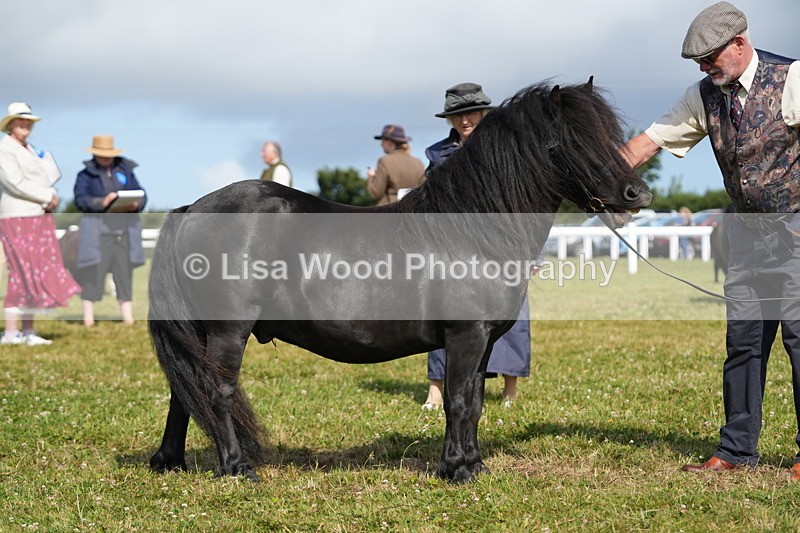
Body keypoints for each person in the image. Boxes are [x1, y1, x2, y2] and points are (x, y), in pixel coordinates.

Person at [622, 2, 800, 478]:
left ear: (740, 43)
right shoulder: (703, 95)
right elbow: (649, 142)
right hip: (745, 239)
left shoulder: (793, 79)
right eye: (697, 62)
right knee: (742, 345)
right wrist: (597, 176)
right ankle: (737, 451)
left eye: (709, 58)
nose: (704, 68)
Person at [422, 82, 532, 409]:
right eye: (457, 115)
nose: (464, 120)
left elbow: (524, 204)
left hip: (503, 247)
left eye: (470, 112)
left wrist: (531, 253)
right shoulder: (437, 154)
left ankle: (510, 389)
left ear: (483, 112)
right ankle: (436, 389)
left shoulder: (506, 150)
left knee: (513, 314)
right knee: (444, 317)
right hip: (453, 248)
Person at [0, 102, 81, 345]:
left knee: (34, 272)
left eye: (29, 121)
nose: (26, 125)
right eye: (21, 120)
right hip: (18, 217)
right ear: (11, 123)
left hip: (38, 216)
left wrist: (50, 197)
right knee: (19, 271)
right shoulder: (5, 149)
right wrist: (48, 196)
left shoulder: (32, 150)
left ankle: (28, 331)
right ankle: (11, 332)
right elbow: (14, 182)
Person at [74, 135, 147, 327]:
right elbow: (81, 199)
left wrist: (136, 204)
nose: (106, 158)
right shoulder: (85, 176)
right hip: (99, 234)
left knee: (124, 273)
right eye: (102, 154)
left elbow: (141, 193)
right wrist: (101, 202)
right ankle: (88, 318)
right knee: (94, 273)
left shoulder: (126, 171)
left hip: (123, 232)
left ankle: (127, 317)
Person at [366, 124, 424, 205]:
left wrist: (371, 176)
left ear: (390, 142)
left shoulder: (384, 161)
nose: (381, 144)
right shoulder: (418, 162)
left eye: (382, 141)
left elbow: (376, 193)